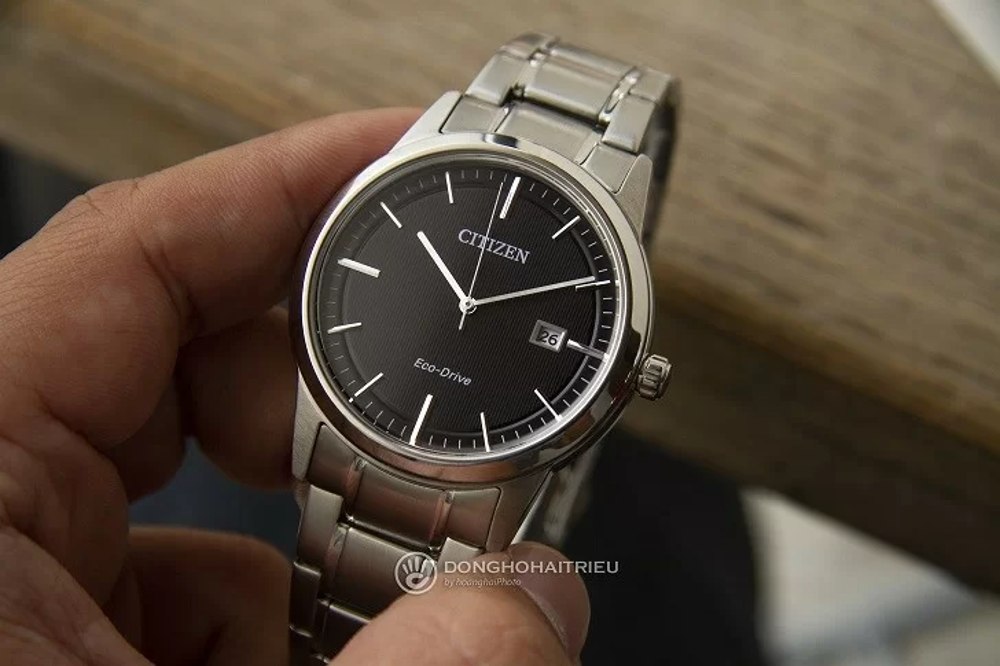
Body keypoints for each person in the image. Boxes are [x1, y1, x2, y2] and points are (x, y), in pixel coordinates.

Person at [0, 110, 590, 665]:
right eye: (464, 300)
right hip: (354, 416)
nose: (466, 306)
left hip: (456, 457)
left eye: (470, 305)